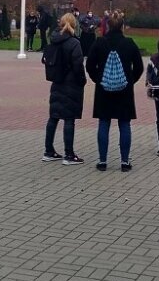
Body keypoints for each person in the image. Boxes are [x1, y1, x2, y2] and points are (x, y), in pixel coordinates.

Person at [85, 10, 144, 171]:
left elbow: (89, 65)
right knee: (124, 124)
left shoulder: (99, 43)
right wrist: (130, 81)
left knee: (104, 123)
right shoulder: (129, 43)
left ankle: (102, 161)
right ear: (122, 26)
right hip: (124, 90)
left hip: (104, 90)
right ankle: (124, 162)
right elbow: (139, 67)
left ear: (108, 25)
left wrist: (98, 79)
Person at [42, 12, 87, 165]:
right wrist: (82, 81)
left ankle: (48, 150)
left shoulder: (53, 40)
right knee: (69, 119)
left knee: (53, 116)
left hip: (56, 81)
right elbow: (78, 65)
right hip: (71, 83)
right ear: (74, 25)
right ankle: (69, 154)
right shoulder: (74, 43)